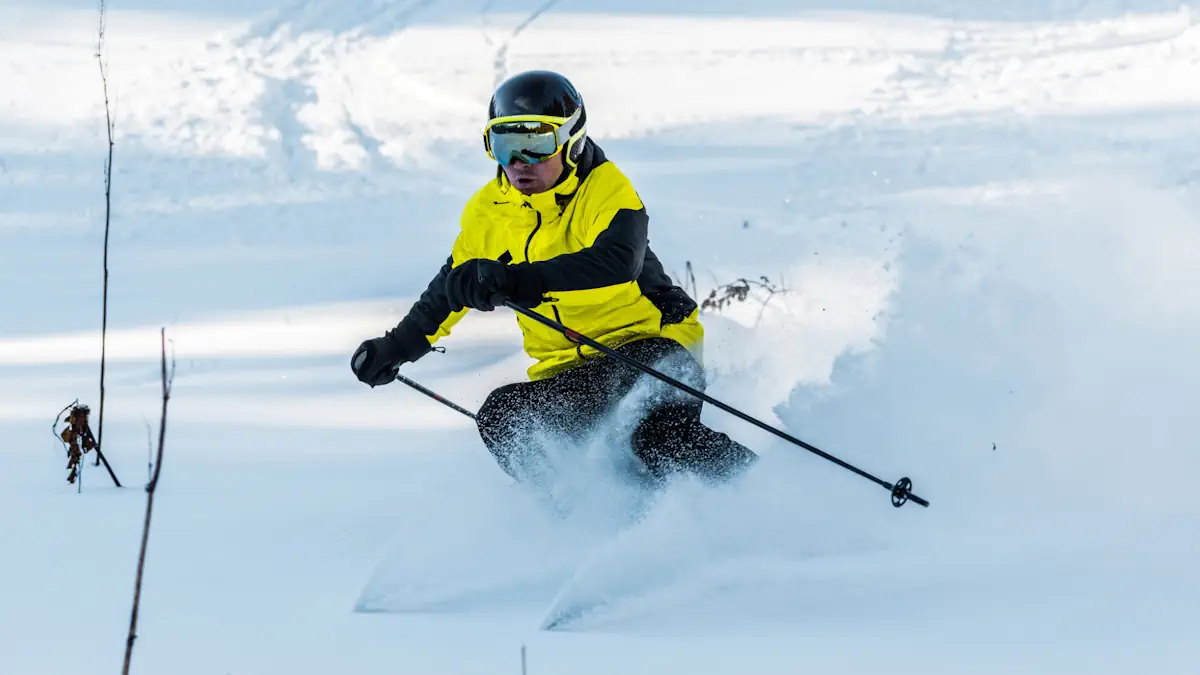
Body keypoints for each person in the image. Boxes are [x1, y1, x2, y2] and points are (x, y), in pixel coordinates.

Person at [351, 70, 757, 490]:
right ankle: (585, 524)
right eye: (505, 146)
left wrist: (519, 280)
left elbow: (618, 263)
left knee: (652, 434)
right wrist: (395, 348)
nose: (518, 163)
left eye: (536, 145)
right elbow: (445, 292)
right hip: (568, 374)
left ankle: (762, 491)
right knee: (505, 418)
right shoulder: (488, 212)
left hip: (652, 349)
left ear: (572, 140)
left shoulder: (605, 189)